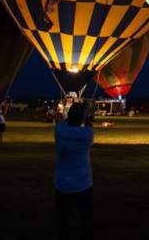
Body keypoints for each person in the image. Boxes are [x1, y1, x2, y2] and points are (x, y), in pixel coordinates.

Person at [54, 102, 94, 240]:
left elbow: (65, 124)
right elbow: (87, 127)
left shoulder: (59, 129)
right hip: (82, 182)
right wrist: (86, 120)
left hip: (62, 182)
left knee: (62, 217)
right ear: (83, 117)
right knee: (85, 216)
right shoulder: (87, 133)